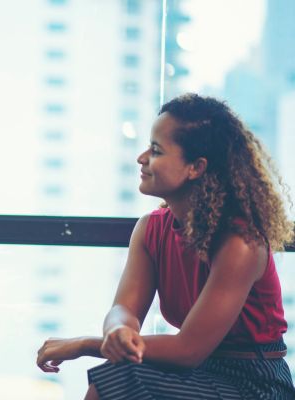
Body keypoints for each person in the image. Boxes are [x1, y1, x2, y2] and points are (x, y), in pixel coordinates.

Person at [36, 93, 295, 399]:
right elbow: (123, 309)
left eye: (156, 150)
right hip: (197, 372)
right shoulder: (151, 228)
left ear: (195, 167)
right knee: (117, 377)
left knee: (116, 380)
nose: (142, 157)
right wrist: (118, 331)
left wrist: (84, 344)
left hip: (254, 382)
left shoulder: (240, 243)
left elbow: (188, 350)